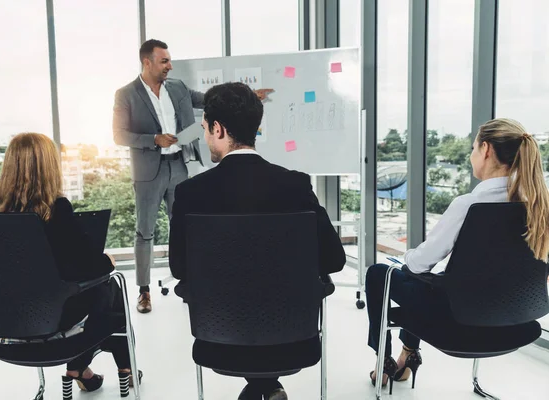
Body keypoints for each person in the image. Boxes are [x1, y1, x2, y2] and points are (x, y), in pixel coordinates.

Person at [168, 82, 346, 400]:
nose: (206, 136)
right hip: (293, 339)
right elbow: (335, 260)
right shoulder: (295, 185)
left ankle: (259, 386)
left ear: (218, 129)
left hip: (218, 340)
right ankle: (266, 385)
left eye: (206, 128)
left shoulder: (191, 193)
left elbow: (180, 268)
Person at [365, 118, 549, 392]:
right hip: (517, 322)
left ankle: (385, 363)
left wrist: (409, 256)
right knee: (429, 282)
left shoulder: (469, 205)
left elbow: (418, 263)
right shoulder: (540, 205)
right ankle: (407, 355)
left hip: (459, 324)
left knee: (382, 273)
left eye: (474, 147)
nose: (471, 154)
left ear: (486, 150)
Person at [0, 133, 142, 394]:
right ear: (49, 166)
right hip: (47, 321)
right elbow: (88, 268)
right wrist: (107, 261)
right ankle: (123, 367)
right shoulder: (56, 208)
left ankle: (83, 371)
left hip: (0, 320)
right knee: (109, 287)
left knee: (96, 293)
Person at [113, 39, 273, 313]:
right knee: (145, 232)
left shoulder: (177, 88)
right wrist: (154, 139)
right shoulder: (126, 94)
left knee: (185, 225)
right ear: (147, 62)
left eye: (169, 60)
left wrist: (247, 95)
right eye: (164, 61)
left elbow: (210, 99)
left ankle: (191, 281)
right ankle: (144, 291)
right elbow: (119, 135)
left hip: (178, 165)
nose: (170, 66)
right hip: (148, 171)